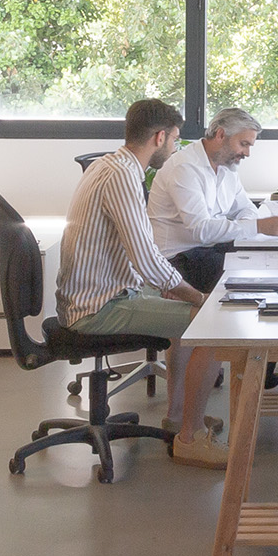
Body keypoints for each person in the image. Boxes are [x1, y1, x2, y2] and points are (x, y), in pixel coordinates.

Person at [57, 98, 228, 468]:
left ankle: (181, 417)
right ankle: (190, 439)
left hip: (107, 290)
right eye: (175, 140)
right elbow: (147, 257)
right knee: (213, 324)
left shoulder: (110, 164)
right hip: (98, 306)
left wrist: (166, 286)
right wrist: (194, 295)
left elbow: (139, 256)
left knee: (191, 311)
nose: (177, 147)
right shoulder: (122, 175)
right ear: (159, 136)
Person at [148, 108, 278, 292]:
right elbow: (201, 230)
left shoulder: (226, 166)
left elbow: (246, 208)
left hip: (208, 250)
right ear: (221, 135)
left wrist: (249, 225)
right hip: (179, 260)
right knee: (254, 272)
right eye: (243, 144)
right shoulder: (185, 168)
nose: (247, 153)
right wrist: (258, 226)